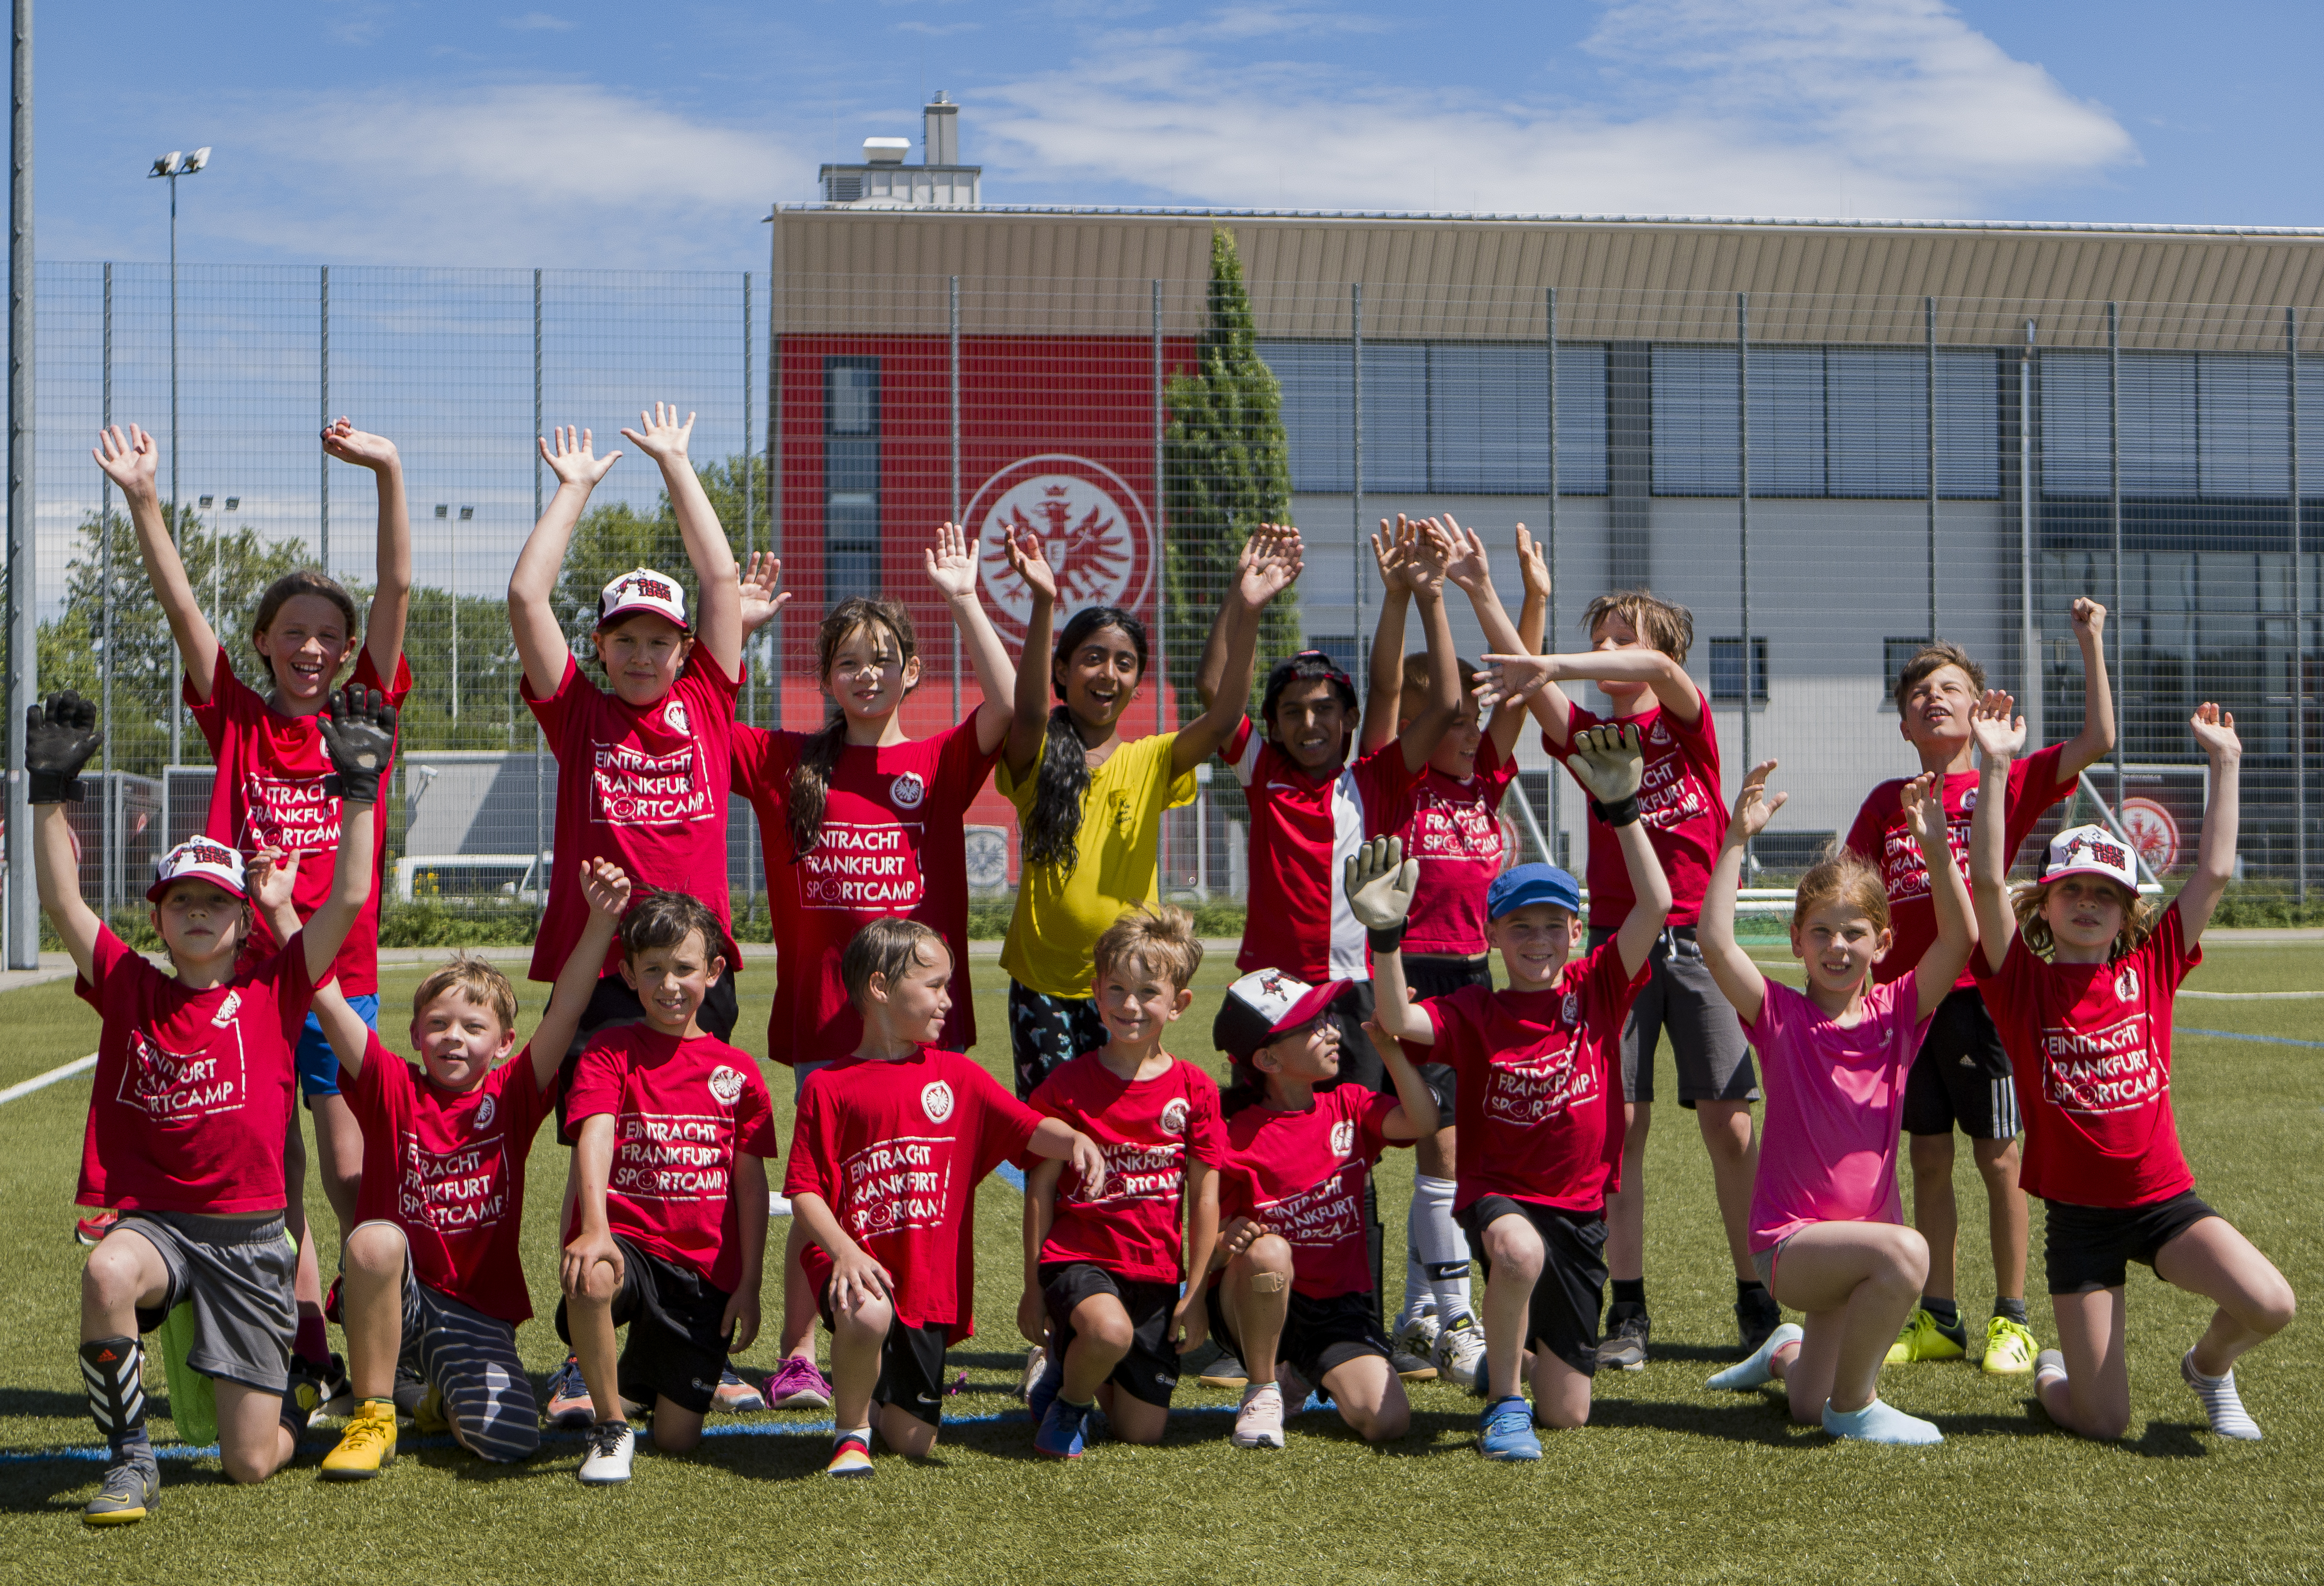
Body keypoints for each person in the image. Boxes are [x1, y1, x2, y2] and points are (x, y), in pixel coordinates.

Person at [94, 418, 412, 1403]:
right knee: (265, 1183)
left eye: (329, 634)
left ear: (350, 649)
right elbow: (183, 604)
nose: (311, 648)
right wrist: (146, 499)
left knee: (353, 1175)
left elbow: (397, 589)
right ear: (266, 643)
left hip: (334, 979)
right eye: (293, 633)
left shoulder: (364, 715)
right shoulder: (234, 709)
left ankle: (388, 1354)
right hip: (241, 982)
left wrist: (390, 474)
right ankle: (303, 1343)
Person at [30, 684, 393, 1523]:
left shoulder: (278, 985)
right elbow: (63, 903)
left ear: (241, 921)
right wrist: (48, 792)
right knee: (107, 1267)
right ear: (158, 916)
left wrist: (361, 792)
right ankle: (129, 1459)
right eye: (182, 901)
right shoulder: (129, 986)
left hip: (252, 1240)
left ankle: (290, 1407)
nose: (199, 913)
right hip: (158, 1223)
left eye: (216, 903)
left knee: (250, 1463)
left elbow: (343, 901)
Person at [728, 524, 1035, 1413]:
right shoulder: (790, 762)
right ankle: (796, 1350)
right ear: (826, 677)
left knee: (919, 1186)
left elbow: (1014, 704)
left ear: (912, 674)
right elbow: (710, 716)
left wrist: (967, 596)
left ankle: (920, 1337)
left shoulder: (936, 762)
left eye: (883, 659)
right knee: (822, 1189)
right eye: (848, 661)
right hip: (830, 1023)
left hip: (923, 1022)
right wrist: (741, 630)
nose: (866, 673)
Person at [507, 409, 753, 1424]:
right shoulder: (580, 712)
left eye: (660, 638)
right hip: (604, 972)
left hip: (700, 968)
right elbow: (526, 594)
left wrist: (677, 464)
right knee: (600, 1154)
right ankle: (583, 1350)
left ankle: (699, 1338)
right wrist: (575, 487)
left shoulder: (709, 698)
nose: (645, 653)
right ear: (600, 647)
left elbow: (724, 581)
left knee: (700, 1151)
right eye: (625, 639)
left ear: (683, 648)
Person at [1967, 694, 2295, 1442]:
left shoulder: (2151, 967)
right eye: (2070, 891)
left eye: (2104, 895)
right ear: (2043, 906)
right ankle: (2056, 1373)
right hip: (2079, 1223)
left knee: (2270, 1302)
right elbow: (1985, 882)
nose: (2086, 904)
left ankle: (2206, 1366)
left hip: (2162, 1204)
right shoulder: (2020, 981)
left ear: (2126, 914)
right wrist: (1992, 766)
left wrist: (2226, 761)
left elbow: (2211, 871)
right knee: (2102, 1421)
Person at [1480, 587, 1774, 1364]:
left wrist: (1559, 658)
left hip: (1702, 941)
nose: (1608, 653)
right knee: (1623, 1128)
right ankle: (1629, 1309)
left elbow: (1638, 666)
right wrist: (1487, 590)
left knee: (1730, 1123)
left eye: (1622, 640)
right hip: (1622, 941)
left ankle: (1758, 1298)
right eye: (1599, 640)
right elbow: (1531, 682)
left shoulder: (1684, 718)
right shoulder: (1590, 736)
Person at [1195, 518, 1456, 1384]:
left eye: (1325, 709)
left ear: (1348, 719)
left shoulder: (1376, 777)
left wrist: (1423, 599)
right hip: (1268, 997)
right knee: (1247, 1159)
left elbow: (1440, 703)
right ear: (1274, 723)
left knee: (1351, 1156)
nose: (1310, 721)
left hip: (1353, 998)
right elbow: (1218, 700)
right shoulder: (1262, 772)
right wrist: (1246, 602)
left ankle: (1370, 1318)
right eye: (1293, 711)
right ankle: (1233, 1321)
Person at [1368, 725, 1672, 1456]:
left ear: (1574, 933)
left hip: (1578, 1210)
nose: (1537, 939)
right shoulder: (1476, 1009)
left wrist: (1624, 810)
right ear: (1492, 935)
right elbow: (1397, 1018)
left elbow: (1655, 905)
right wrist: (1384, 938)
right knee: (1513, 1253)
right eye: (1519, 926)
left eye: (1551, 925)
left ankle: (1511, 1362)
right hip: (1498, 1192)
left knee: (1568, 1410)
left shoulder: (1595, 988)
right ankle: (1503, 1403)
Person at [289, 861, 630, 1479]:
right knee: (372, 1240)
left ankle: (434, 1393)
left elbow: (569, 1008)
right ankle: (374, 1413)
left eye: (474, 1027)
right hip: (401, 1291)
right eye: (439, 1025)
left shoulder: (517, 1091)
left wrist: (602, 920)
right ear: (415, 1035)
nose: (454, 1038)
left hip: (474, 1310)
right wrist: (281, 911)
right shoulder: (391, 1084)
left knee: (508, 1442)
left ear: (503, 1042)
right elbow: (324, 993)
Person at [1844, 605, 2114, 1374]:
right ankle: (1937, 1315)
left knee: (1997, 1158)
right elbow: (1857, 900)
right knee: (1925, 1158)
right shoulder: (1884, 802)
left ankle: (2012, 1316)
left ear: (1977, 709)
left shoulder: (2004, 779)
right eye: (1918, 692)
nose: (1933, 697)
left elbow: (2097, 740)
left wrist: (2088, 643)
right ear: (1902, 723)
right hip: (1907, 1005)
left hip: (1983, 1000)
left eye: (1951, 687)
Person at [1696, 765, 1974, 1446]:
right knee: (1911, 1256)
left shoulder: (1900, 1010)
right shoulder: (1778, 1014)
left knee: (1802, 1405)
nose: (1837, 947)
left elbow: (1960, 942)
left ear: (1882, 945)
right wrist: (1733, 839)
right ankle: (1856, 1408)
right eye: (1820, 933)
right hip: (1793, 1249)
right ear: (1796, 942)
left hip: (1857, 1258)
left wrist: (1937, 853)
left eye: (1854, 934)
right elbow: (1713, 942)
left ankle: (1786, 1352)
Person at [786, 920, 1105, 1477]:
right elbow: (805, 1192)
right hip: (856, 1264)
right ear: (881, 988)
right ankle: (851, 1432)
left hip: (927, 1277)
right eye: (934, 986)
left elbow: (1029, 1129)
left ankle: (876, 1384)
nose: (947, 1001)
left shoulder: (957, 1075)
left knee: (914, 1442)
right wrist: (845, 1252)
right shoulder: (828, 1086)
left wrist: (1075, 1138)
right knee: (865, 1310)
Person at [1000, 525, 1298, 1101]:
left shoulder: (1154, 759)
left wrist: (1250, 613)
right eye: (1091, 659)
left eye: (1124, 663)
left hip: (1130, 986)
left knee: (1125, 1121)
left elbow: (1221, 720)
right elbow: (1031, 708)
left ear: (1137, 684)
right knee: (1054, 1131)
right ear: (1062, 671)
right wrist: (1043, 602)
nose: (1108, 674)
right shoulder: (1035, 752)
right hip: (1043, 988)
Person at [1364, 515, 1551, 1386]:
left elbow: (1516, 692)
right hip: (1401, 972)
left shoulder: (1484, 778)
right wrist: (1419, 597)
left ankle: (1422, 1315)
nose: (1473, 725)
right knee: (1414, 1146)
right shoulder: (1398, 779)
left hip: (1467, 977)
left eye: (1477, 715)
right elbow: (1422, 693)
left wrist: (1530, 596)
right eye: (1458, 715)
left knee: (1448, 1150)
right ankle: (1447, 1314)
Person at [558, 888, 779, 1486]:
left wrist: (750, 1283)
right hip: (630, 1244)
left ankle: (634, 1377)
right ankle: (610, 1425)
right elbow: (595, 1136)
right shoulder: (609, 1050)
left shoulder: (738, 1073)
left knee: (679, 1440)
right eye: (652, 969)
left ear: (712, 972)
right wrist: (595, 1228)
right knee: (593, 1272)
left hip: (702, 1269)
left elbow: (751, 1187)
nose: (669, 984)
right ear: (628, 974)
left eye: (683, 968)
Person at [1018, 906, 1226, 1458]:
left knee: (1143, 1432)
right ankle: (1070, 1401)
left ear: (1178, 1004)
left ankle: (1070, 1363)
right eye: (1117, 989)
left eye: (1148, 992)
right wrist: (1033, 1287)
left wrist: (1195, 1291)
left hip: (1155, 1273)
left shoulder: (1196, 1089)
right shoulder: (1064, 1087)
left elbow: (1205, 1196)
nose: (1130, 1005)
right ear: (1096, 993)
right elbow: (1039, 1190)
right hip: (1078, 1259)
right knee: (1108, 1332)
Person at [1206, 968, 1439, 1449]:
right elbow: (1204, 1245)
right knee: (1269, 1253)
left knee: (1387, 1421)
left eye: (1327, 1018)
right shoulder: (1232, 1133)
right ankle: (1263, 1387)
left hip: (1337, 1310)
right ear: (1267, 1058)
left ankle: (1300, 1375)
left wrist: (1389, 1046)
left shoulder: (1349, 1106)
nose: (1332, 1031)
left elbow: (1422, 1120)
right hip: (1256, 1300)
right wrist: (1225, 1247)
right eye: (1312, 1026)